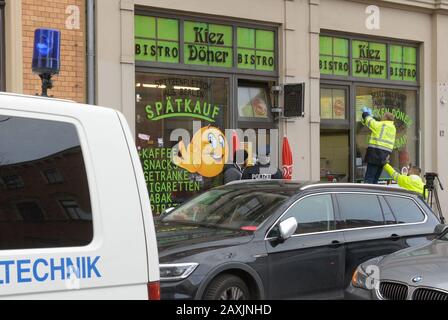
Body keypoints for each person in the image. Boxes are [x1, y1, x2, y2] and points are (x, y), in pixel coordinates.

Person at [361, 107, 397, 184]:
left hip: (375, 154)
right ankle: (374, 193)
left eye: (383, 116)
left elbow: (370, 122)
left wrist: (366, 114)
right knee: (375, 179)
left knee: (369, 179)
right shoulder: (393, 128)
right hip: (384, 157)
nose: (381, 118)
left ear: (386, 118)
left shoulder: (381, 125)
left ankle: (368, 194)